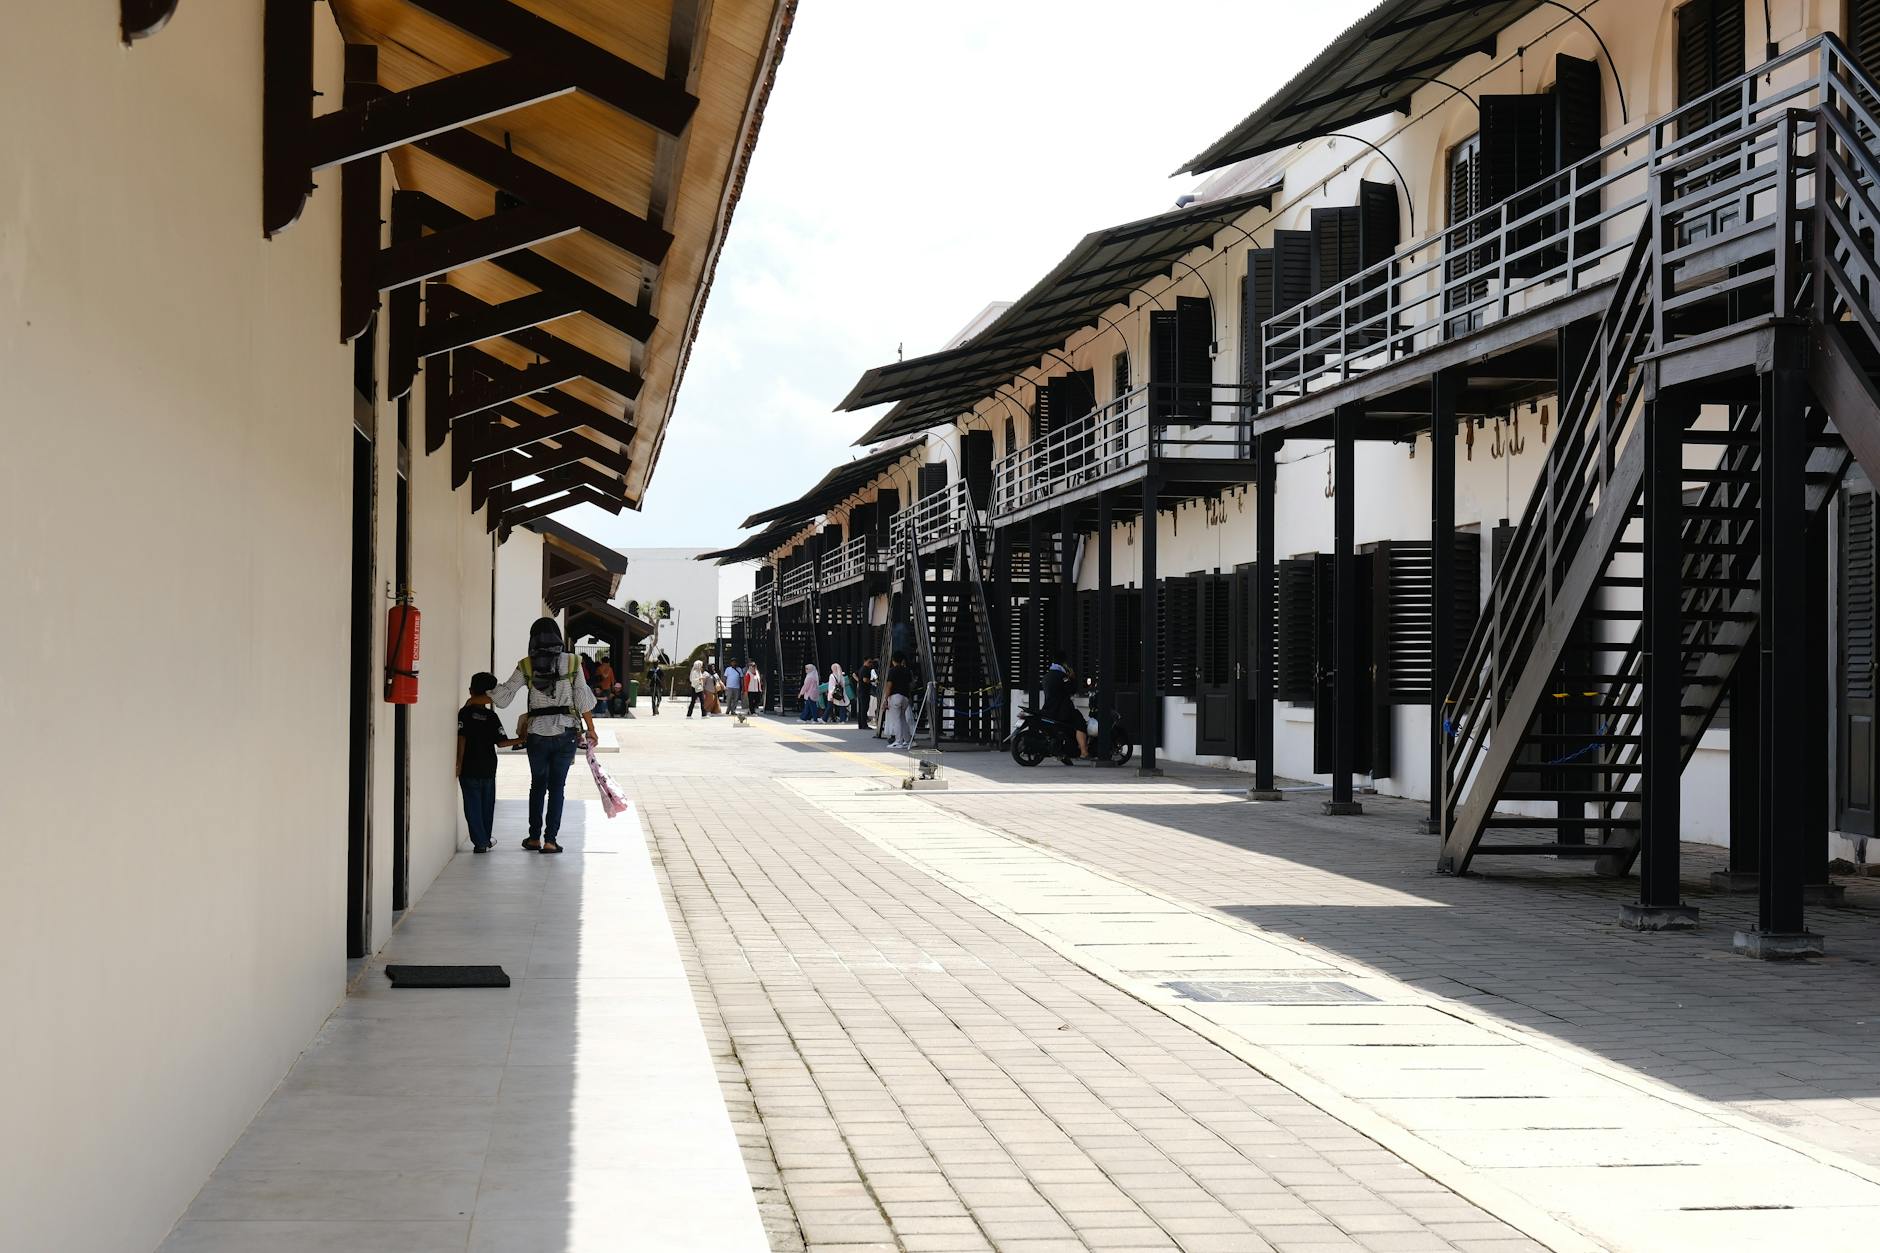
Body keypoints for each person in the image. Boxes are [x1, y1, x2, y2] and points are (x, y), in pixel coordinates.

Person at [489, 617, 599, 854]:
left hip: (537, 734)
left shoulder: (526, 664)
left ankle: (533, 838)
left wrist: (483, 691)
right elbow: (581, 699)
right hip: (565, 732)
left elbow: (505, 695)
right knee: (557, 787)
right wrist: (591, 729)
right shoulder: (572, 662)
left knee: (537, 785)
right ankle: (550, 840)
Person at [456, 671, 520, 854]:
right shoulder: (492, 717)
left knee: (472, 807)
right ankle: (485, 839)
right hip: (488, 768)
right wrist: (522, 738)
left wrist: (458, 762)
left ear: (470, 690)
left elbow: (462, 738)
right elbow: (502, 742)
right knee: (487, 807)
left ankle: (481, 842)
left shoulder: (464, 713)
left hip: (468, 767)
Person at [1043, 647, 1090, 760]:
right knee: (1080, 723)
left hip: (1049, 709)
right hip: (1062, 710)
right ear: (1064, 662)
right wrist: (1072, 678)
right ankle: (1084, 752)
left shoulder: (1047, 676)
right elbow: (1072, 689)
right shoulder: (1062, 676)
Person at [882, 652, 915, 749]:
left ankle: (898, 741)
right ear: (902, 661)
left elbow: (889, 686)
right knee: (902, 719)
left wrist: (885, 699)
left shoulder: (892, 671)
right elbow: (911, 685)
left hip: (895, 696)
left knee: (896, 720)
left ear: (893, 660)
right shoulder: (907, 671)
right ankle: (908, 740)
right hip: (905, 697)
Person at [856, 658, 876, 730]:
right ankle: (864, 725)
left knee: (861, 708)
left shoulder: (861, 669)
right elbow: (865, 680)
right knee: (864, 708)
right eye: (869, 662)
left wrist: (859, 681)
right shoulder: (866, 669)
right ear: (865, 661)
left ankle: (861, 724)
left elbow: (855, 675)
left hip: (860, 690)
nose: (871, 664)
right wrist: (872, 681)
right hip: (864, 691)